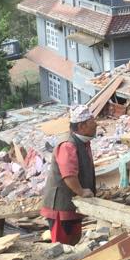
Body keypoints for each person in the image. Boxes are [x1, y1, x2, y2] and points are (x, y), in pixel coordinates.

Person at [41, 104, 97, 245]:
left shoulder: (83, 142)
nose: (96, 125)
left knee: (73, 240)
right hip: (61, 205)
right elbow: (69, 175)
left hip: (72, 204)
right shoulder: (68, 145)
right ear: (82, 126)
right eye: (92, 122)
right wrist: (82, 191)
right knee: (62, 244)